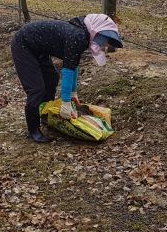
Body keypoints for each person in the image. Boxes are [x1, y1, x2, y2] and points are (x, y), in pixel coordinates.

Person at [11, 14, 123, 143]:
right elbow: (68, 71)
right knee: (36, 89)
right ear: (96, 32)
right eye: (104, 39)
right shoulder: (78, 36)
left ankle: (45, 113)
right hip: (24, 45)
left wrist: (72, 93)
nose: (104, 45)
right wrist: (65, 101)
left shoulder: (83, 36)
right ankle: (33, 130)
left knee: (52, 78)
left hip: (39, 49)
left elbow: (73, 64)